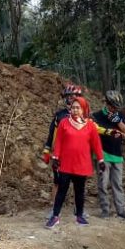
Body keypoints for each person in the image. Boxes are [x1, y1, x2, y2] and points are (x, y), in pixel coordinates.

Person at [47, 97, 104, 228]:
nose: (75, 110)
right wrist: (55, 158)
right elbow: (59, 142)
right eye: (73, 107)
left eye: (78, 108)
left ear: (83, 109)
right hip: (66, 164)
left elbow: (96, 144)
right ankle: (55, 216)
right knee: (62, 190)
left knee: (80, 191)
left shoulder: (90, 125)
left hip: (82, 164)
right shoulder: (64, 123)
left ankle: (79, 216)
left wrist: (101, 159)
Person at [42, 84, 83, 215]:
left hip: (77, 155)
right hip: (61, 154)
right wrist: (47, 150)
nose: (71, 99)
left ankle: (79, 210)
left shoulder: (84, 116)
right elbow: (51, 134)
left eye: (75, 96)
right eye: (69, 96)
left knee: (79, 183)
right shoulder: (59, 115)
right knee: (58, 182)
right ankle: (54, 210)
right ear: (65, 98)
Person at [93, 90, 125, 220]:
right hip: (102, 154)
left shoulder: (119, 115)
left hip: (117, 154)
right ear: (108, 104)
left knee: (117, 184)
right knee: (103, 183)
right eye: (113, 107)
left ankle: (120, 209)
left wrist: (118, 121)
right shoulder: (97, 116)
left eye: (117, 108)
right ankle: (105, 209)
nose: (115, 109)